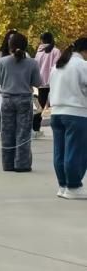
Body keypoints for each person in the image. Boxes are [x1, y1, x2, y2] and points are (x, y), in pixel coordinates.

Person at [0, 32, 42, 173]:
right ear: (25, 46)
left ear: (9, 46)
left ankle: (7, 163)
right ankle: (22, 164)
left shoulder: (2, 61)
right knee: (23, 132)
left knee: (7, 131)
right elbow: (37, 83)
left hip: (7, 99)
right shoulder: (32, 63)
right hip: (24, 99)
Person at [49, 38, 87, 200]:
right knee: (76, 151)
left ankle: (63, 185)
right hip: (76, 113)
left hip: (56, 112)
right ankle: (73, 186)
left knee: (60, 151)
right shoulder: (82, 65)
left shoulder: (57, 66)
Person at [34, 32, 61, 138]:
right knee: (56, 104)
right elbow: (57, 66)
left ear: (42, 40)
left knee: (40, 105)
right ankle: (57, 128)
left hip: (41, 82)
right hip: (53, 81)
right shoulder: (56, 51)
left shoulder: (39, 52)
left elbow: (36, 67)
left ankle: (35, 128)